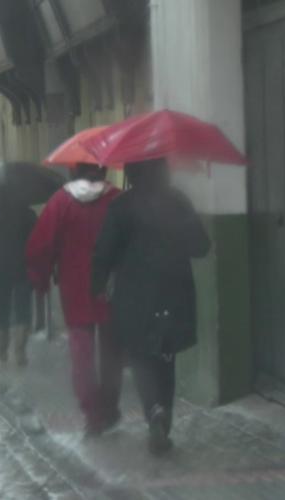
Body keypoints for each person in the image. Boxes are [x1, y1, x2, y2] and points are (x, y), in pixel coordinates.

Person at [91, 159, 210, 455]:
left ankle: (154, 410)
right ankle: (163, 414)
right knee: (165, 356)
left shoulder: (121, 206)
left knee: (140, 354)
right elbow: (202, 246)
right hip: (174, 292)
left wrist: (96, 285)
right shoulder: (178, 201)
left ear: (130, 174)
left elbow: (103, 251)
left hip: (135, 296)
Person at [26, 163, 123, 436]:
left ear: (74, 172)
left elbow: (40, 247)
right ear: (103, 171)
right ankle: (109, 407)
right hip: (110, 287)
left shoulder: (60, 202)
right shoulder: (115, 199)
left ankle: (92, 413)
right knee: (112, 351)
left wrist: (41, 281)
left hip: (75, 288)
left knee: (81, 353)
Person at [0, 201, 37, 366]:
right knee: (23, 307)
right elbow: (38, 240)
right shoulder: (29, 214)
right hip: (23, 266)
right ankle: (20, 352)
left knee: (3, 306)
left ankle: (2, 349)